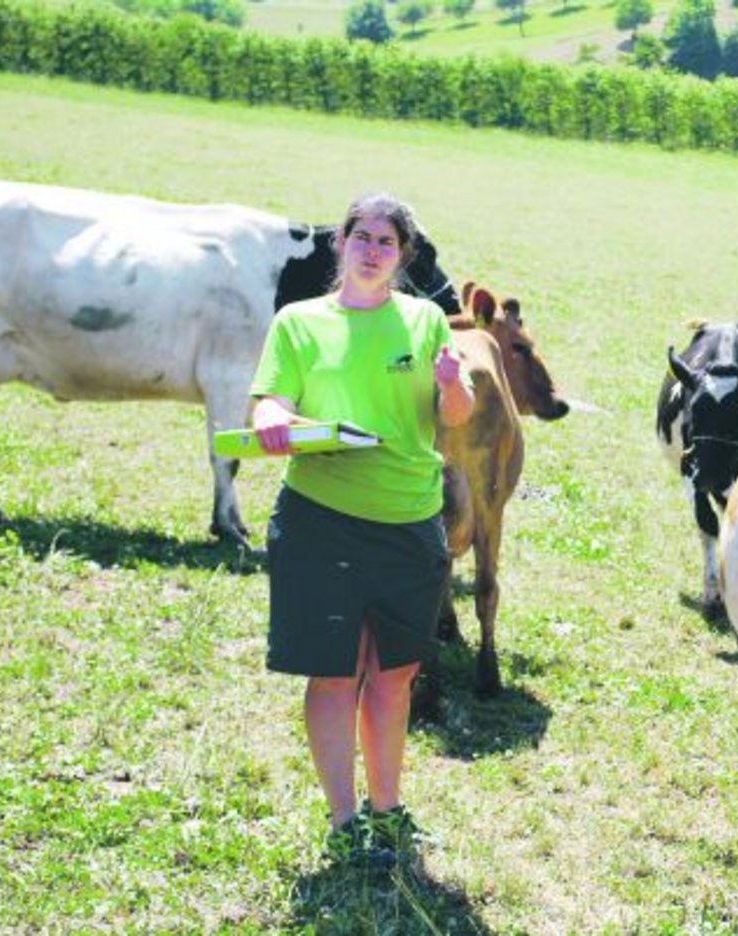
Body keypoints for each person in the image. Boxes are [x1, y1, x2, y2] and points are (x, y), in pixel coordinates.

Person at [249, 192, 474, 868]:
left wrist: (452, 384)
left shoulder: (426, 320)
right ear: (340, 244)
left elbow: (454, 417)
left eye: (386, 242)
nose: (372, 250)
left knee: (395, 675)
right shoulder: (299, 322)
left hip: (409, 521)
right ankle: (345, 821)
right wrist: (269, 419)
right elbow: (273, 398)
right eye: (362, 237)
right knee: (336, 674)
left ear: (402, 257)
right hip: (321, 521)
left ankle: (388, 809)